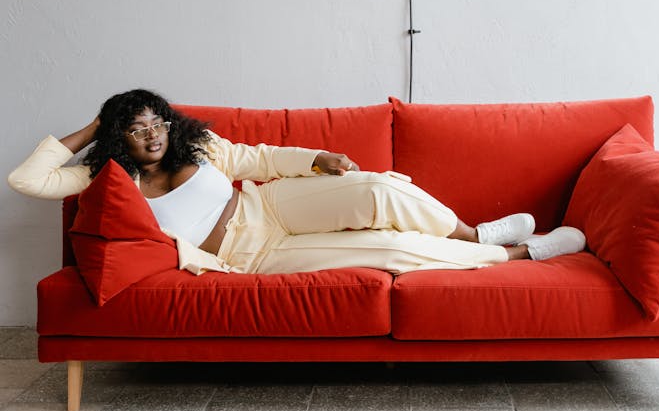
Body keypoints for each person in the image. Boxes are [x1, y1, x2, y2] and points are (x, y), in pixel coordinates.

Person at [8, 89, 586, 278]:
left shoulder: (197, 146)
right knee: (386, 250)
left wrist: (316, 158)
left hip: (269, 207)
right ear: (118, 137)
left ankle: (472, 230)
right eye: (135, 129)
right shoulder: (107, 177)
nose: (152, 136)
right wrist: (93, 125)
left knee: (378, 189)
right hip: (251, 255)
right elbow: (27, 180)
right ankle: (514, 253)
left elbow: (257, 156)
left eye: (157, 122)